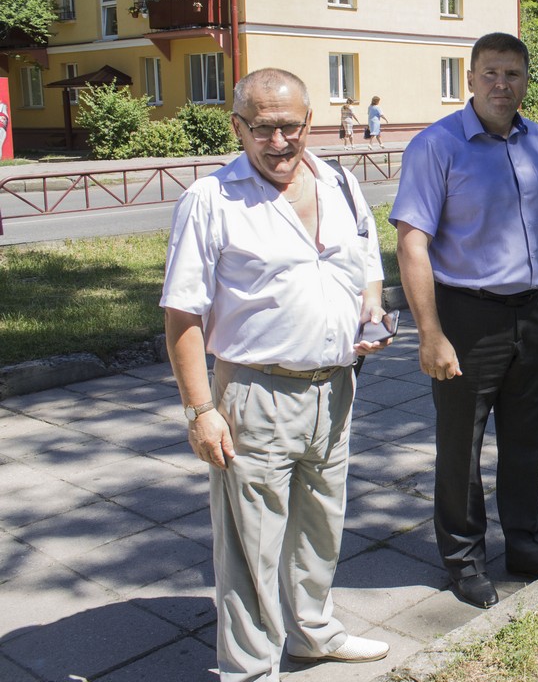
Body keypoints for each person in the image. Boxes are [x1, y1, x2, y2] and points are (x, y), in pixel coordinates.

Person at [161, 68, 392, 680]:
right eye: (263, 128)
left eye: (291, 126)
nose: (280, 141)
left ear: (309, 122)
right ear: (237, 127)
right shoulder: (210, 200)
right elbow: (182, 313)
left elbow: (366, 259)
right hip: (255, 391)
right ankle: (250, 668)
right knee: (251, 543)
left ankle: (313, 632)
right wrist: (199, 411)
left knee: (321, 526)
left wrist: (370, 307)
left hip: (336, 388)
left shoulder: (341, 182)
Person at [390, 32, 538, 610]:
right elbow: (411, 242)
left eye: (514, 74)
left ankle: (525, 544)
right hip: (466, 315)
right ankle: (464, 559)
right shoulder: (436, 146)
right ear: (470, 79)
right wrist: (430, 332)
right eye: (492, 73)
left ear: (526, 80)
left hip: (533, 310)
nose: (504, 84)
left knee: (527, 440)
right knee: (461, 446)